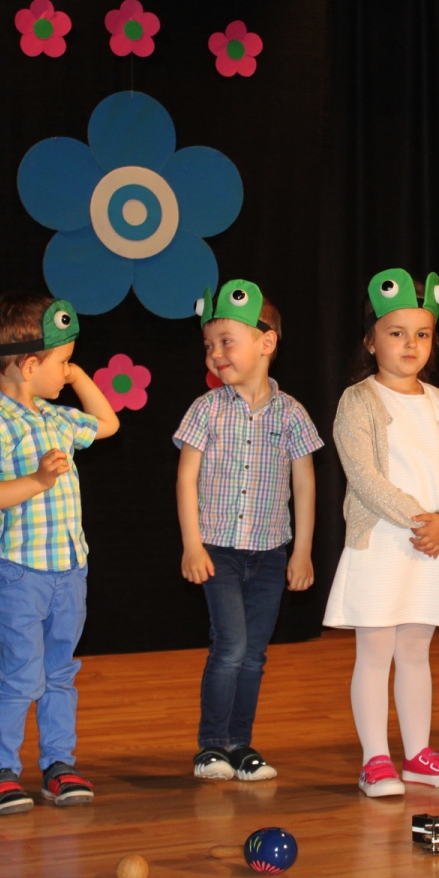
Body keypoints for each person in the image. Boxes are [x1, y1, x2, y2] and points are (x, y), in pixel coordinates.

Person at [0, 293, 119, 814]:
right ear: (29, 366)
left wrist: (78, 377)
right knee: (21, 676)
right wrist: (35, 480)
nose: (68, 370)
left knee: (59, 674)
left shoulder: (57, 417)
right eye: (62, 361)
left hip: (69, 572)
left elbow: (108, 424)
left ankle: (58, 765)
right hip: (20, 574)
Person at [324, 269, 439, 798]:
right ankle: (375, 760)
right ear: (371, 340)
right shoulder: (358, 401)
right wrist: (419, 519)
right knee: (375, 651)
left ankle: (418, 755)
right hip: (383, 545)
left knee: (415, 650)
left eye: (422, 334)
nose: (411, 344)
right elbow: (364, 476)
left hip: (432, 545)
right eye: (396, 333)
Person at [175, 280, 323, 782]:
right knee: (231, 646)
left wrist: (302, 551)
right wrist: (192, 544)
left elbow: (304, 484)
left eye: (226, 342)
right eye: (208, 345)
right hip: (218, 549)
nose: (215, 354)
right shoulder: (207, 408)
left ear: (266, 343)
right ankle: (212, 744)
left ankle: (240, 743)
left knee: (254, 655)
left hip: (270, 554)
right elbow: (186, 478)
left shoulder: (292, 413)